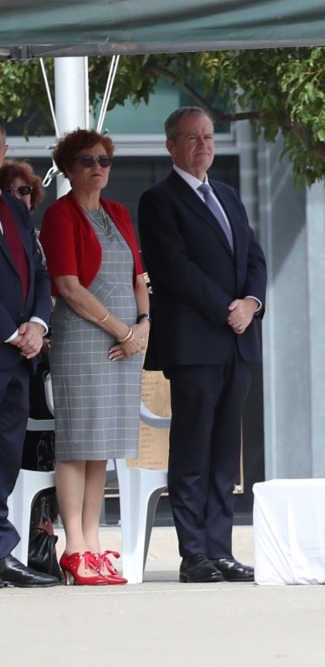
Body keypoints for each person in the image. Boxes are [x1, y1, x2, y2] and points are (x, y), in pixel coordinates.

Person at [137, 107, 265, 584]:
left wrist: (250, 303)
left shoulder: (228, 194)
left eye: (210, 137)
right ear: (172, 145)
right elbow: (174, 268)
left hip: (237, 342)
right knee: (192, 450)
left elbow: (253, 255)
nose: (205, 145)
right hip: (195, 345)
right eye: (193, 138)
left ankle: (221, 549)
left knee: (222, 452)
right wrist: (226, 309)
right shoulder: (158, 200)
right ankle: (194, 554)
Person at [39, 130, 150, 585]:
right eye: (87, 160)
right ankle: (75, 547)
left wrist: (143, 326)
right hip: (83, 338)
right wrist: (122, 329)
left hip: (126, 341)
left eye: (104, 159)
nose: (98, 167)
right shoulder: (59, 216)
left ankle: (93, 539)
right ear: (68, 168)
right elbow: (68, 287)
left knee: (101, 445)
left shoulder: (119, 212)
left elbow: (140, 277)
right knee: (77, 442)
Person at [0, 121, 58, 588]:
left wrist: (38, 325)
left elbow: (38, 271)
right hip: (6, 344)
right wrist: (11, 331)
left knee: (6, 454)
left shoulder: (13, 209)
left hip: (22, 357)